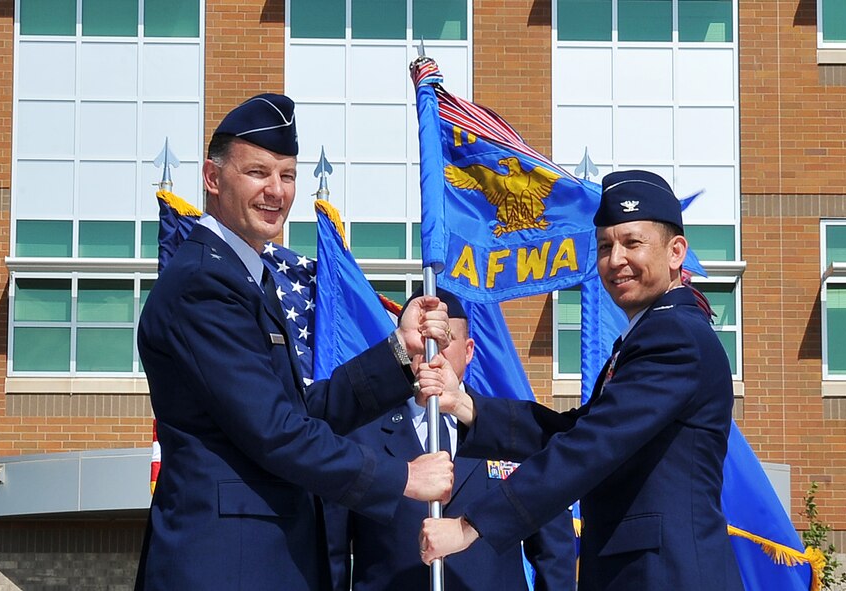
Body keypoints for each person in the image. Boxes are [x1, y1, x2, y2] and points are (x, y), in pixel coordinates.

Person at [135, 93, 454, 591]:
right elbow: (275, 431)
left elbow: (301, 412)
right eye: (258, 172)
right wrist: (402, 479)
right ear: (212, 178)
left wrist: (399, 351)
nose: (276, 191)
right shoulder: (202, 284)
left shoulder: (246, 278)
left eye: (287, 176)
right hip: (228, 566)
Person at [416, 170, 744, 590]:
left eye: (632, 242)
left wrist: (470, 526)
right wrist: (464, 404)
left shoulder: (672, 336)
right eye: (605, 246)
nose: (615, 259)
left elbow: (591, 446)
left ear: (676, 251)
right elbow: (578, 431)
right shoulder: (650, 334)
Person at [323, 289, 577, 591]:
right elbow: (333, 550)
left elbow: (553, 548)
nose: (432, 351)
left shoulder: (512, 432)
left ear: (468, 351)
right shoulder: (360, 432)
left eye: (443, 340)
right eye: (423, 337)